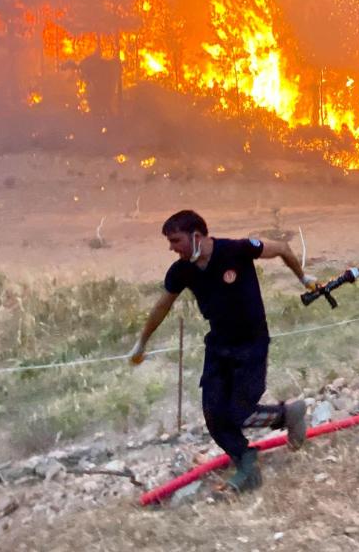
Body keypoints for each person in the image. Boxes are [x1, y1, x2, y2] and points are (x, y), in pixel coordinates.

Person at [128, 210, 314, 493]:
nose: (172, 248)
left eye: (175, 240)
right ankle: (246, 462)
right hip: (218, 346)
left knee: (240, 413)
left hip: (251, 344)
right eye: (169, 242)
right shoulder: (181, 270)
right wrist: (142, 342)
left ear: (196, 236)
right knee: (214, 415)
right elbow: (162, 306)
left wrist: (303, 278)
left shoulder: (236, 250)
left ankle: (289, 415)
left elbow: (282, 248)